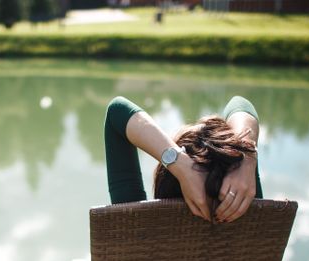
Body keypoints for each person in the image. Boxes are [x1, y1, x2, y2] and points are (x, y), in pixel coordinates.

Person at [105, 95, 262, 223]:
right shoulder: (255, 218)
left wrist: (181, 166)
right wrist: (246, 158)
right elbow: (240, 104)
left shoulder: (133, 227)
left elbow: (117, 112)